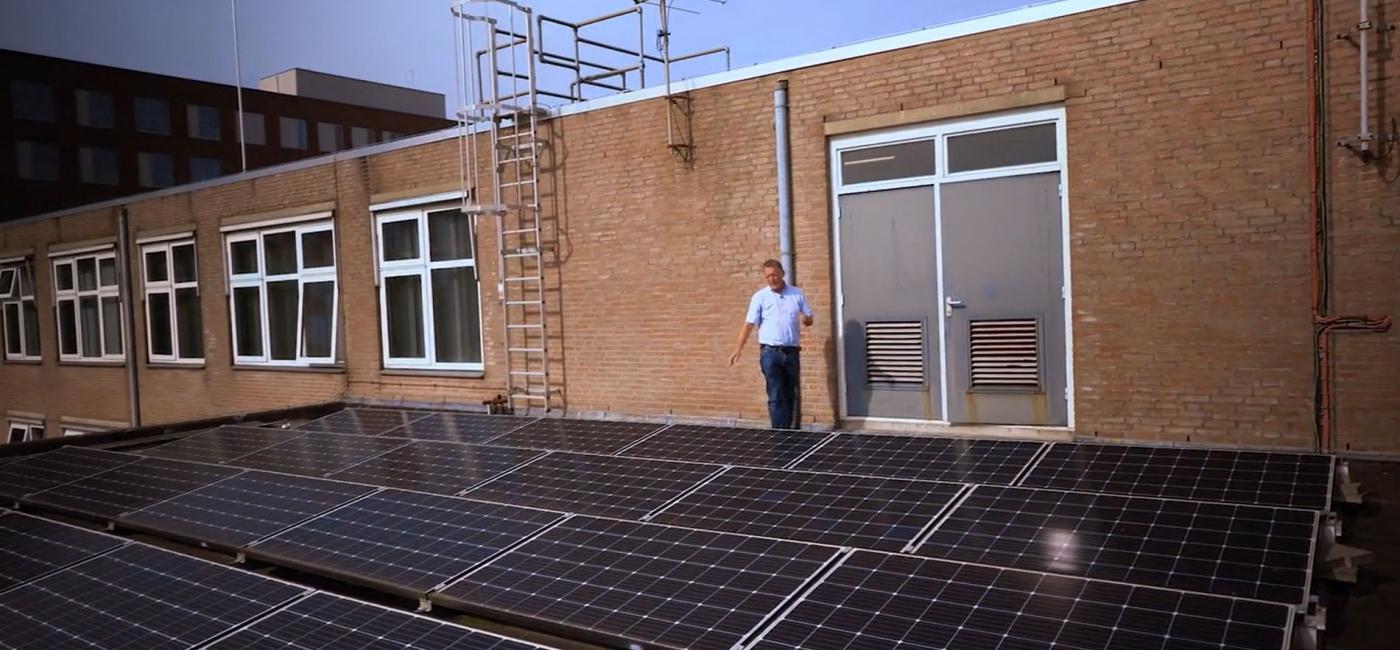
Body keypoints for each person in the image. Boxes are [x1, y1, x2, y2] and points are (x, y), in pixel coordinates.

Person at [729, 259, 814, 429]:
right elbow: (749, 324)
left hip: (791, 352)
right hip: (770, 353)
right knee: (776, 394)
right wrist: (738, 349)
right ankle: (779, 433)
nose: (771, 279)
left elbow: (809, 318)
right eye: (767, 276)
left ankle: (792, 432)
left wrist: (807, 319)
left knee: (791, 392)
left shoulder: (797, 294)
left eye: (774, 275)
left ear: (782, 273)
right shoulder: (760, 297)